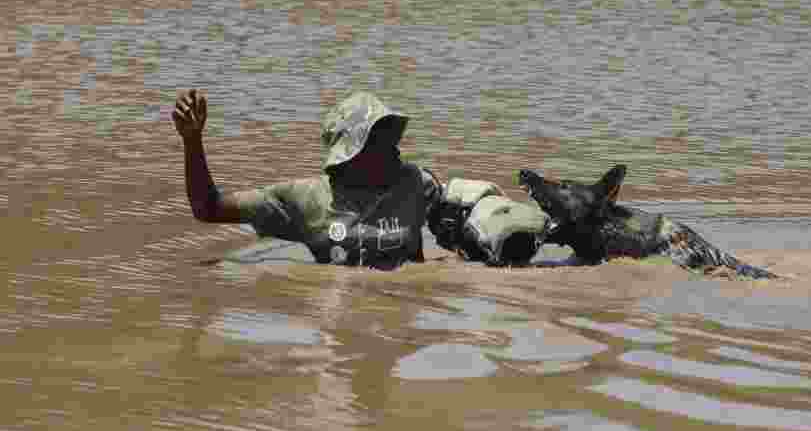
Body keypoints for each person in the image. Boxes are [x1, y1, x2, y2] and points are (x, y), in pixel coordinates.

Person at [173, 88, 549, 269]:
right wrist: (192, 142)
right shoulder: (304, 199)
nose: (396, 149)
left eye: (393, 138)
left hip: (404, 321)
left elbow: (470, 229)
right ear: (352, 154)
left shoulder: (416, 184)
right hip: (342, 315)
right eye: (382, 140)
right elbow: (208, 208)